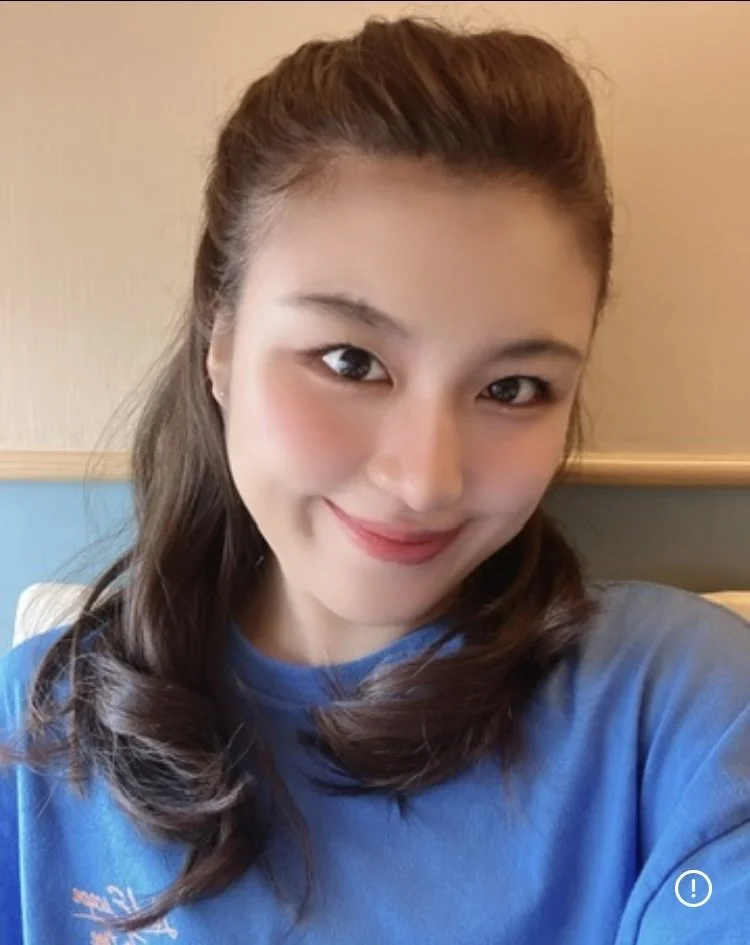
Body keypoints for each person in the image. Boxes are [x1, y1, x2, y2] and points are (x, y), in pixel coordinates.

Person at [1, 14, 749, 944]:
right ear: (220, 343)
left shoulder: (683, 708)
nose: (426, 479)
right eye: (352, 361)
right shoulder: (34, 732)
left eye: (513, 387)